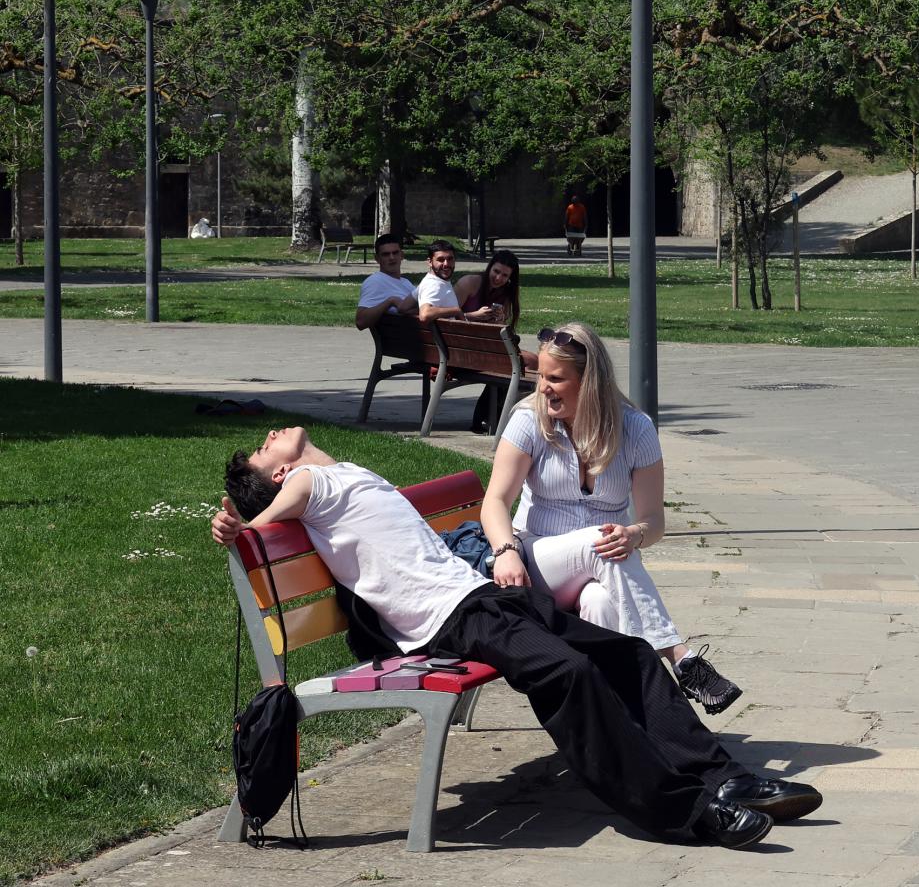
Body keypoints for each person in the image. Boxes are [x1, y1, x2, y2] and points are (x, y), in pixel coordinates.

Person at [213, 428, 822, 848]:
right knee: (570, 676)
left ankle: (722, 776)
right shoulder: (309, 487)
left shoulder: (342, 474)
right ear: (283, 473)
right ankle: (685, 812)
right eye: (264, 454)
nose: (269, 441)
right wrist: (239, 523)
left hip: (486, 596)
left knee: (626, 651)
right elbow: (260, 528)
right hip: (453, 616)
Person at [479, 321, 744, 715]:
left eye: (555, 378)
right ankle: (681, 658)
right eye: (540, 377)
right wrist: (505, 551)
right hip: (536, 562)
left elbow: (654, 522)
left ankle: (620, 721)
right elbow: (494, 502)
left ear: (590, 383)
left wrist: (634, 535)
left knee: (602, 602)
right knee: (595, 542)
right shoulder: (529, 419)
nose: (542, 388)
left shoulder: (635, 428)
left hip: (603, 568)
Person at [456, 249, 538, 433]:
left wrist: (499, 322)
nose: (499, 278)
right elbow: (446, 316)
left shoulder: (504, 294)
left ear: (510, 278)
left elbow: (497, 333)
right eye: (496, 271)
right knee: (523, 362)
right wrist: (473, 316)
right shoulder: (469, 283)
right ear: (489, 267)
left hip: (484, 349)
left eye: (504, 275)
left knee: (532, 360)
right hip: (461, 352)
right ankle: (490, 415)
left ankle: (493, 414)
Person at [355, 233, 419, 331]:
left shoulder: (406, 282)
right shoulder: (375, 282)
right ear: (377, 259)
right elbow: (360, 322)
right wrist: (390, 301)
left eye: (395, 253)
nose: (392, 258)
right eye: (386, 254)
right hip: (404, 343)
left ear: (402, 255)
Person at [415, 239, 462, 323]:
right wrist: (456, 310)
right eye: (440, 260)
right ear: (430, 262)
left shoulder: (427, 281)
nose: (446, 264)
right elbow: (425, 314)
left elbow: (404, 307)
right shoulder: (434, 285)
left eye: (450, 259)